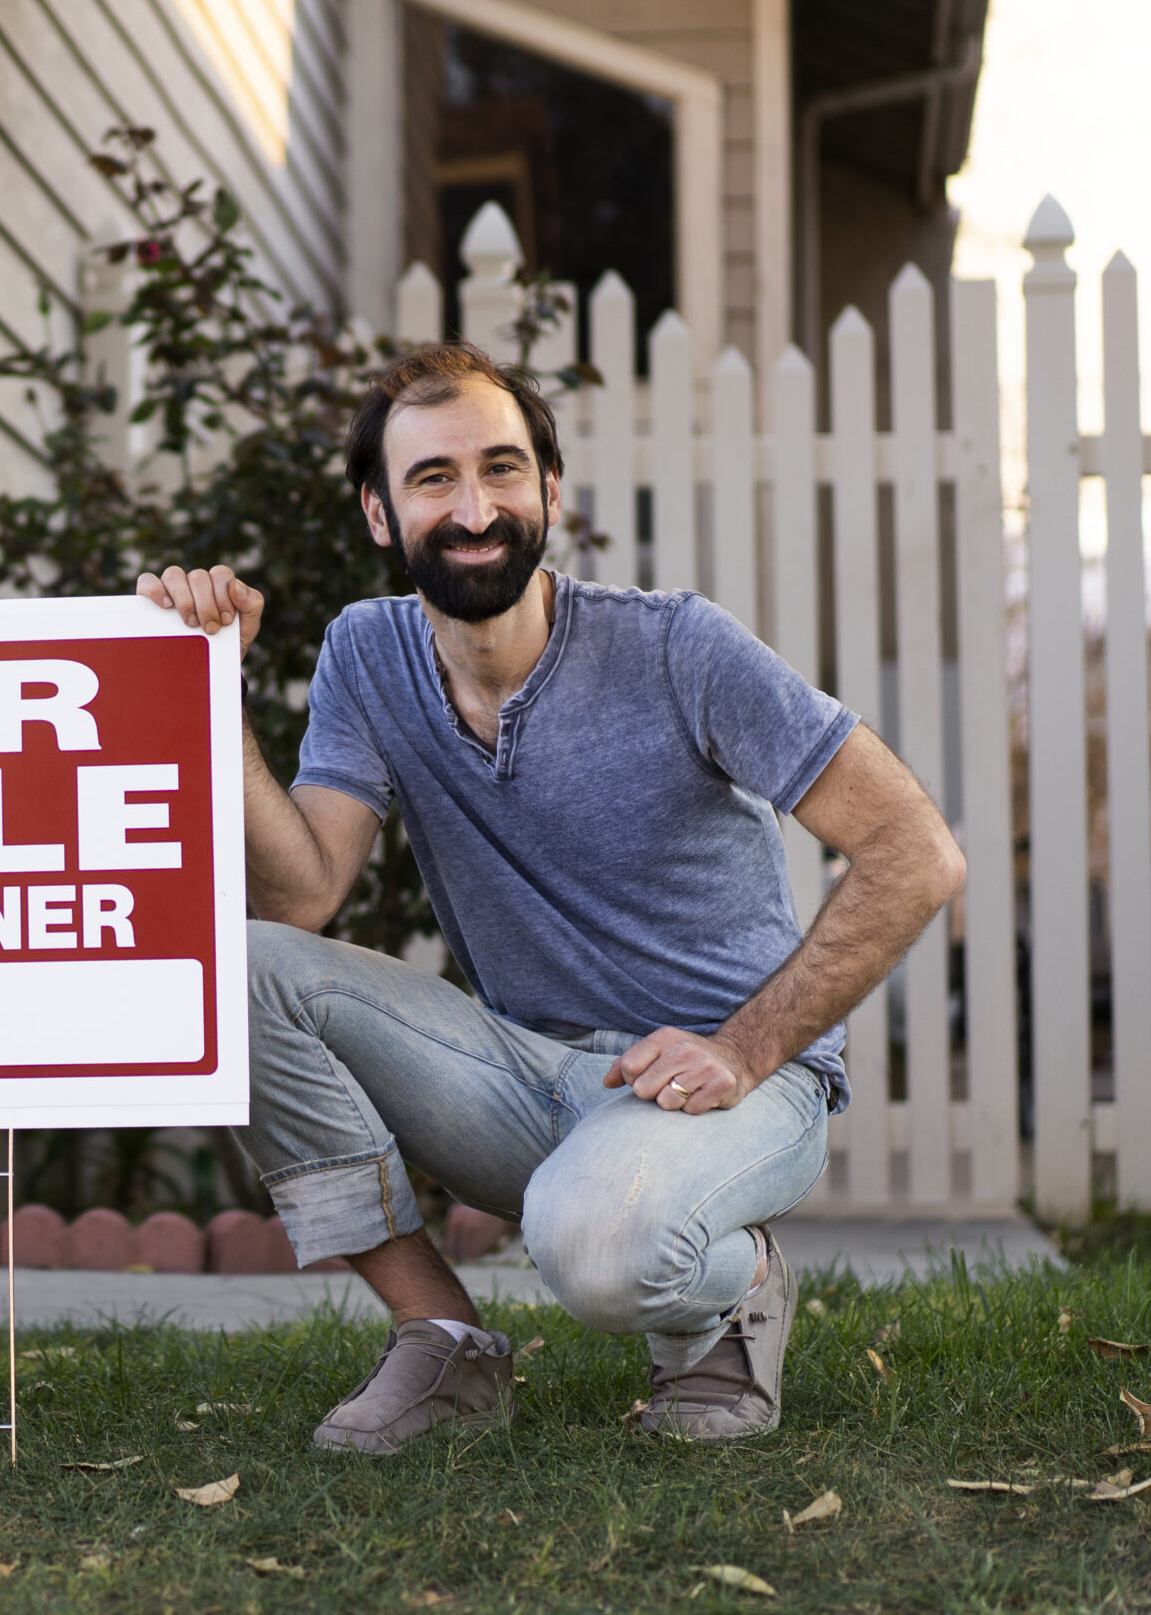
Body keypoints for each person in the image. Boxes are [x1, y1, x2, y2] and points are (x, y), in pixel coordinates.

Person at [139, 341, 961, 1452]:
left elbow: (914, 850)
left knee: (597, 1251)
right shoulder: (367, 656)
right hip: (527, 1077)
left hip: (732, 1088)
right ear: (379, 513)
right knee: (234, 970)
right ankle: (443, 1337)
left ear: (551, 491)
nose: (474, 509)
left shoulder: (676, 646)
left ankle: (735, 1287)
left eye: (502, 469)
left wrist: (747, 1046)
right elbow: (301, 901)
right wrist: (209, 690)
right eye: (433, 478)